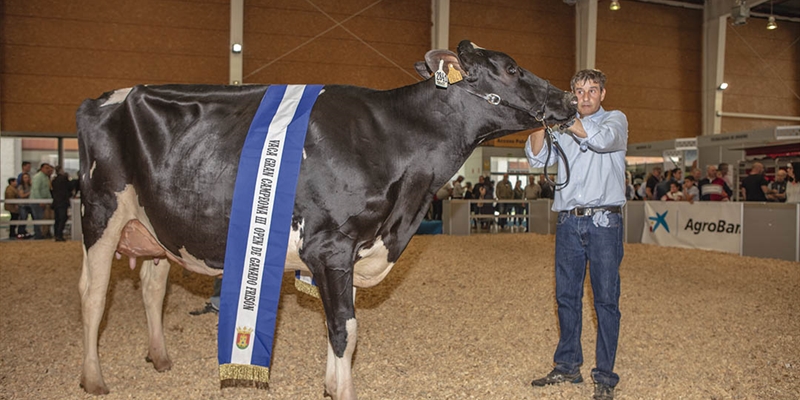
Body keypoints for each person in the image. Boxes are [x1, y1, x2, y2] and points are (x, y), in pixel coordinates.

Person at [526, 69, 627, 400]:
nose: (585, 97)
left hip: (604, 223)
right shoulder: (564, 128)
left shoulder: (616, 120)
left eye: (592, 90)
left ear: (603, 94)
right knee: (566, 297)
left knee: (606, 300)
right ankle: (568, 365)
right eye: (579, 91)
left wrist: (563, 118)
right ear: (572, 93)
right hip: (569, 222)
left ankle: (605, 375)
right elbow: (537, 157)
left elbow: (599, 142)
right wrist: (540, 120)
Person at [30, 163, 54, 239]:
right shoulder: (38, 177)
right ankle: (38, 234)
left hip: (45, 201)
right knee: (38, 218)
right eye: (46, 168)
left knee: (45, 218)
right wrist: (39, 200)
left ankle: (44, 233)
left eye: (49, 168)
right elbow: (36, 190)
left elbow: (47, 191)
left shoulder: (46, 178)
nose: (48, 170)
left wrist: (50, 201)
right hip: (37, 201)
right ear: (42, 169)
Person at [51, 166, 74, 241]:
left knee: (57, 219)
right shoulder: (64, 178)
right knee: (63, 218)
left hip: (56, 201)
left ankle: (56, 234)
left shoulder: (54, 180)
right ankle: (59, 235)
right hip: (63, 201)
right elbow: (70, 187)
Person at [16, 172, 33, 239]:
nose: (27, 179)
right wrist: (30, 193)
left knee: (34, 217)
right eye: (25, 178)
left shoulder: (31, 186)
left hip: (30, 204)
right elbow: (22, 195)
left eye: (27, 177)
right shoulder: (20, 186)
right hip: (23, 205)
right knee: (23, 218)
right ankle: (20, 233)